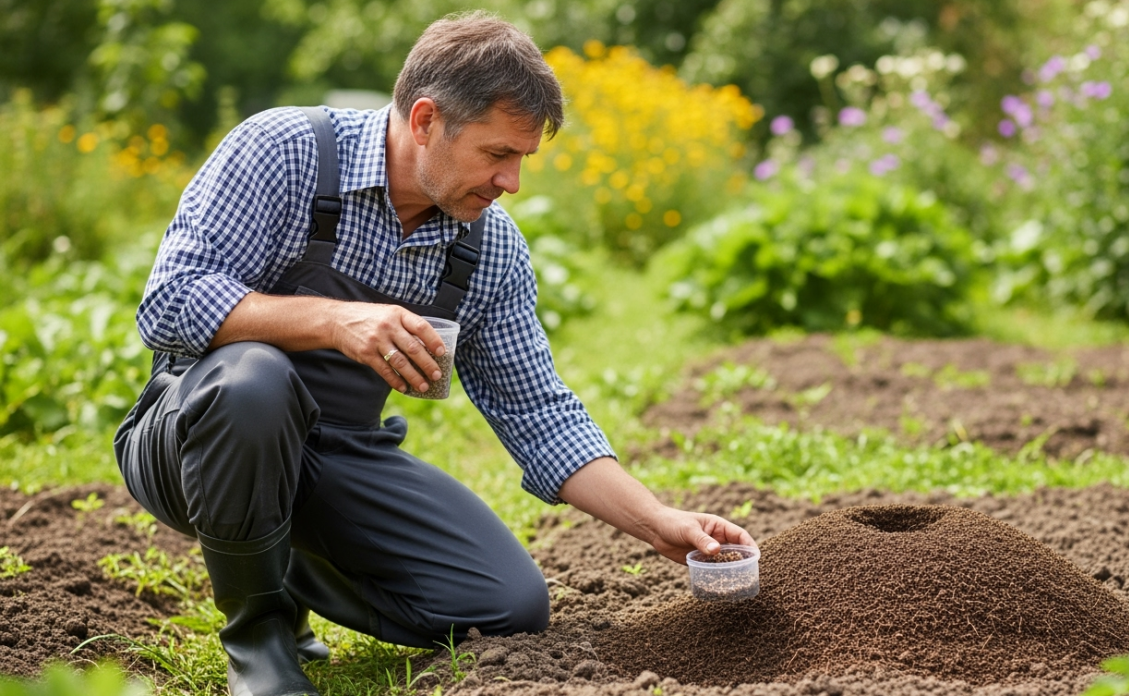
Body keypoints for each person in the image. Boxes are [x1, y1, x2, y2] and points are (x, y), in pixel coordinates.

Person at [113, 11, 755, 696]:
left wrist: (657, 521)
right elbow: (170, 301)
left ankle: (280, 560)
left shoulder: (489, 248)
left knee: (508, 605)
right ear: (426, 120)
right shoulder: (284, 152)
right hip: (190, 439)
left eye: (522, 159)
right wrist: (334, 322)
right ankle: (260, 636)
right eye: (497, 154)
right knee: (254, 381)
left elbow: (538, 409)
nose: (512, 181)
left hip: (332, 457)